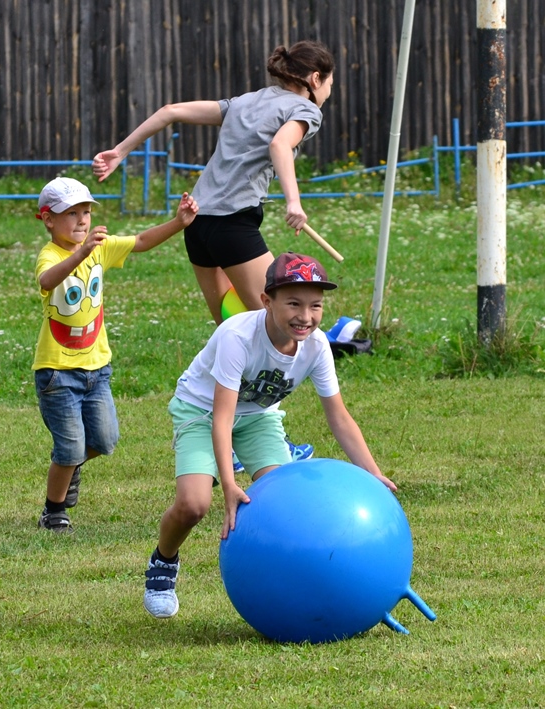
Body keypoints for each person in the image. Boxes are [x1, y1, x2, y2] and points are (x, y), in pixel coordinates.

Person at [92, 40, 336, 464]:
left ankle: (229, 436)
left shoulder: (244, 101)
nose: (330, 89)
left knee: (233, 325)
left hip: (198, 227)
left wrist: (121, 151)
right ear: (315, 79)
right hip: (234, 227)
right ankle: (265, 441)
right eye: (330, 81)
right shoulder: (306, 110)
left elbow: (169, 111)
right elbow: (280, 147)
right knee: (275, 326)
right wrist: (293, 201)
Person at [141, 252, 397, 618]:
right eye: (293, 303)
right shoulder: (237, 336)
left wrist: (372, 473)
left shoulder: (317, 346)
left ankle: (289, 581)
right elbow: (222, 417)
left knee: (283, 502)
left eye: (315, 306)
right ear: (266, 301)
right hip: (202, 411)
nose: (305, 317)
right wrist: (228, 484)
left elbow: (338, 416)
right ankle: (163, 563)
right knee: (194, 504)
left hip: (259, 417)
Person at [33, 176, 199, 532]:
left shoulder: (102, 248)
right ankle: (54, 509)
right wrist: (80, 254)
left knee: (104, 441)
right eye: (71, 213)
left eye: (86, 212)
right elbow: (47, 281)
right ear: (48, 219)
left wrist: (178, 223)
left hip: (97, 369)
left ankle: (69, 464)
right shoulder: (51, 255)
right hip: (57, 372)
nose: (81, 220)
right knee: (71, 446)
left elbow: (140, 241)